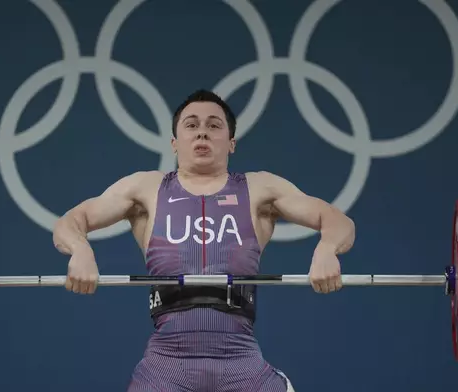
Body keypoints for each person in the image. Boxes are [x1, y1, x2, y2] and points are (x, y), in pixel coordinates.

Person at [52, 89, 356, 391]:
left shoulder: (261, 189)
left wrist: (327, 249)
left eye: (214, 125)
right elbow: (70, 222)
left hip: (243, 367)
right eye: (191, 125)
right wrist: (80, 250)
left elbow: (338, 221)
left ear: (231, 143)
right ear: (174, 143)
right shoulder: (145, 189)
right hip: (164, 370)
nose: (202, 133)